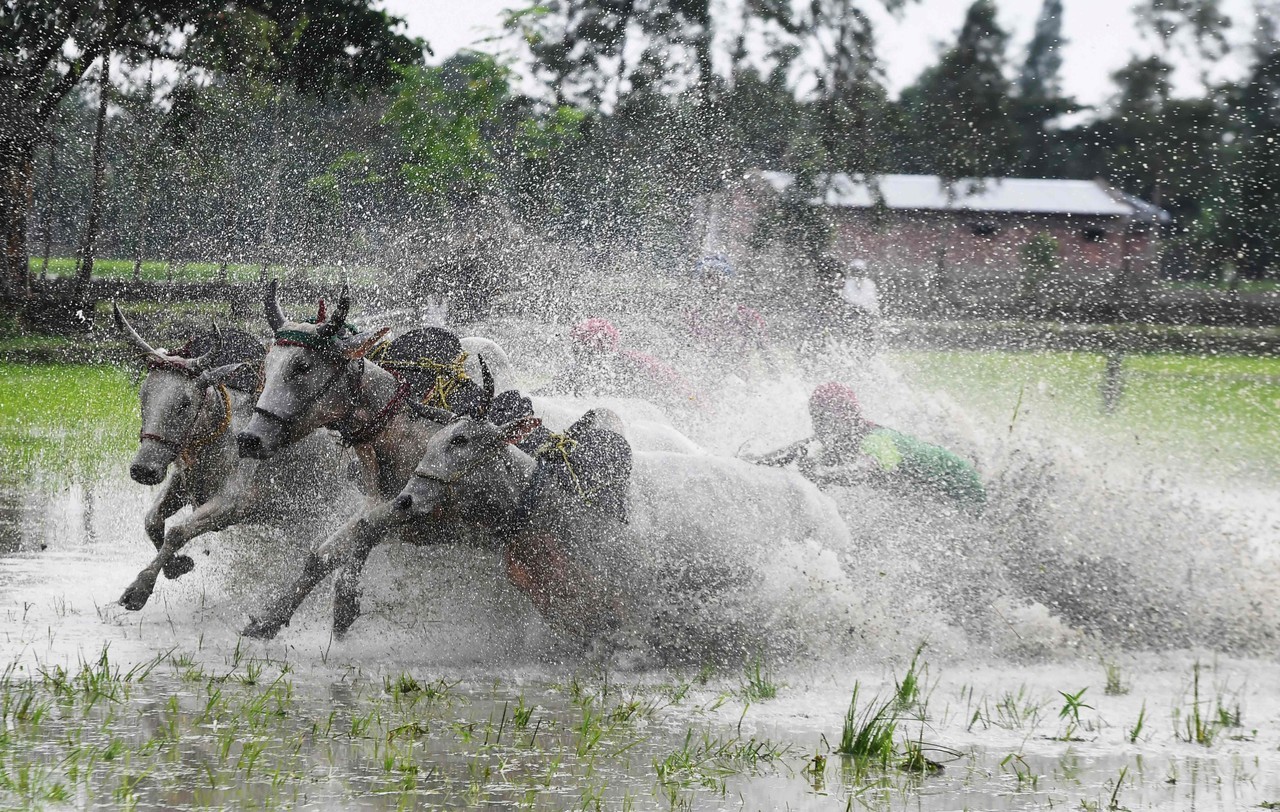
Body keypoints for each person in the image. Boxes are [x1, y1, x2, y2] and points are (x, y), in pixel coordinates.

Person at [746, 382, 986, 511]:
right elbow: (797, 449)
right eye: (815, 417)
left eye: (825, 417)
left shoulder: (877, 440)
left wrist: (821, 475)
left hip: (962, 488)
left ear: (849, 416)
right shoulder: (836, 438)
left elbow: (863, 470)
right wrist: (754, 462)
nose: (819, 425)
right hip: (934, 493)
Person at [556, 317, 703, 410]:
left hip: (687, 407)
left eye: (578, 346)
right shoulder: (604, 363)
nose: (574, 352)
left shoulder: (631, 366)